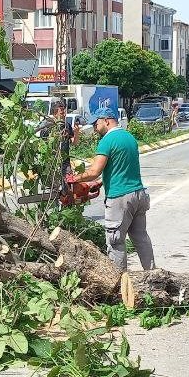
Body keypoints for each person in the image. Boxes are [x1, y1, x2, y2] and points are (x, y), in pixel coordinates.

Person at [69, 108, 156, 272]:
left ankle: (118, 283)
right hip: (138, 194)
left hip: (120, 198)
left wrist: (74, 178)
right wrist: (103, 181)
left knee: (115, 241)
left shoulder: (107, 141)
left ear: (106, 121)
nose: (95, 127)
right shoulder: (129, 137)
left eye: (96, 123)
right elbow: (122, 168)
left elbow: (94, 171)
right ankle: (153, 275)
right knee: (141, 238)